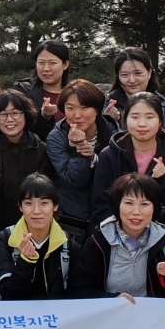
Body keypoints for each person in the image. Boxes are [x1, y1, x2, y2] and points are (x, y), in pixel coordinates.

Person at [68, 173, 165, 302]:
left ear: (154, 208)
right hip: (110, 312)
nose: (136, 212)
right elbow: (78, 290)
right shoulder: (98, 242)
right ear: (117, 206)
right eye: (129, 203)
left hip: (152, 313)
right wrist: (113, 299)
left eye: (144, 204)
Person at [90, 90, 165, 237]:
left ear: (160, 121)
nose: (142, 124)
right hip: (117, 236)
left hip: (161, 236)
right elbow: (101, 205)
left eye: (149, 117)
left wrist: (162, 181)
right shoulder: (110, 155)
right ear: (125, 120)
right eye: (134, 117)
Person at [44, 79, 117, 246]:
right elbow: (75, 178)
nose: (77, 115)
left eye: (84, 107)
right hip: (71, 216)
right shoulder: (56, 137)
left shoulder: (112, 133)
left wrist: (94, 157)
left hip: (107, 213)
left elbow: (115, 174)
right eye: (70, 108)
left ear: (97, 109)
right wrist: (79, 150)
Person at [0, 91, 54, 234]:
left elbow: (46, 191)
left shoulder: (39, 148)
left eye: (15, 113)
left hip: (31, 224)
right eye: (3, 114)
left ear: (25, 115)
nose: (9, 119)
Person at [0, 174, 72, 300]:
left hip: (56, 312)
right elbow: (8, 296)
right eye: (28, 203)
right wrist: (26, 261)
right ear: (20, 206)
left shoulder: (67, 243)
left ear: (55, 206)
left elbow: (77, 293)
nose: (36, 211)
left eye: (44, 203)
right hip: (16, 312)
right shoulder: (3, 240)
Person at [104, 47, 165, 130]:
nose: (132, 80)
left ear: (149, 73)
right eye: (125, 75)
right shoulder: (105, 105)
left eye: (138, 73)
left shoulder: (164, 108)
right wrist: (107, 121)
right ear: (118, 76)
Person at [14, 39, 72, 139]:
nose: (46, 69)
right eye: (41, 63)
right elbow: (22, 132)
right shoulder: (23, 92)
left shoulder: (76, 93)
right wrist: (44, 117)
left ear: (65, 64)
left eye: (52, 63)